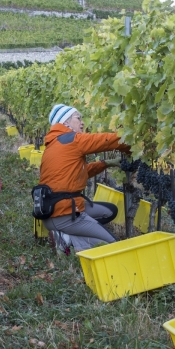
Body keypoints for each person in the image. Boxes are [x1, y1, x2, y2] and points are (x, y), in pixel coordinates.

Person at [38, 104, 130, 254]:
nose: (82, 122)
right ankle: (67, 240)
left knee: (109, 211)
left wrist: (105, 163)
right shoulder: (71, 139)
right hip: (64, 214)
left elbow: (79, 172)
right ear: (65, 123)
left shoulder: (56, 143)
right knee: (113, 246)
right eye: (78, 118)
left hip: (55, 210)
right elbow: (105, 141)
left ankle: (69, 234)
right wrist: (131, 140)